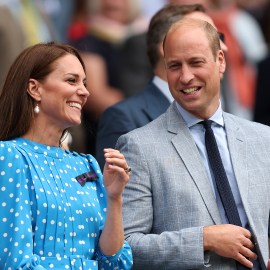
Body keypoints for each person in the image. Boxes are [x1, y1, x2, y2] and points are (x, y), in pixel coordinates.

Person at [116, 18, 270, 269]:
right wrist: (203, 240)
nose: (185, 76)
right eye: (174, 66)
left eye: (196, 62)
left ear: (220, 61)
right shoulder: (139, 147)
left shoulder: (263, 139)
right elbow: (125, 247)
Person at [0, 42, 133, 270]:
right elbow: (14, 262)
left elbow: (114, 261)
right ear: (35, 89)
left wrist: (114, 199)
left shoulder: (86, 164)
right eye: (71, 80)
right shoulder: (9, 155)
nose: (84, 91)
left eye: (84, 83)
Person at [96, 3, 227, 168]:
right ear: (167, 47)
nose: (223, 47)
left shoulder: (227, 121)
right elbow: (115, 189)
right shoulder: (124, 120)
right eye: (210, 37)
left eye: (219, 38)